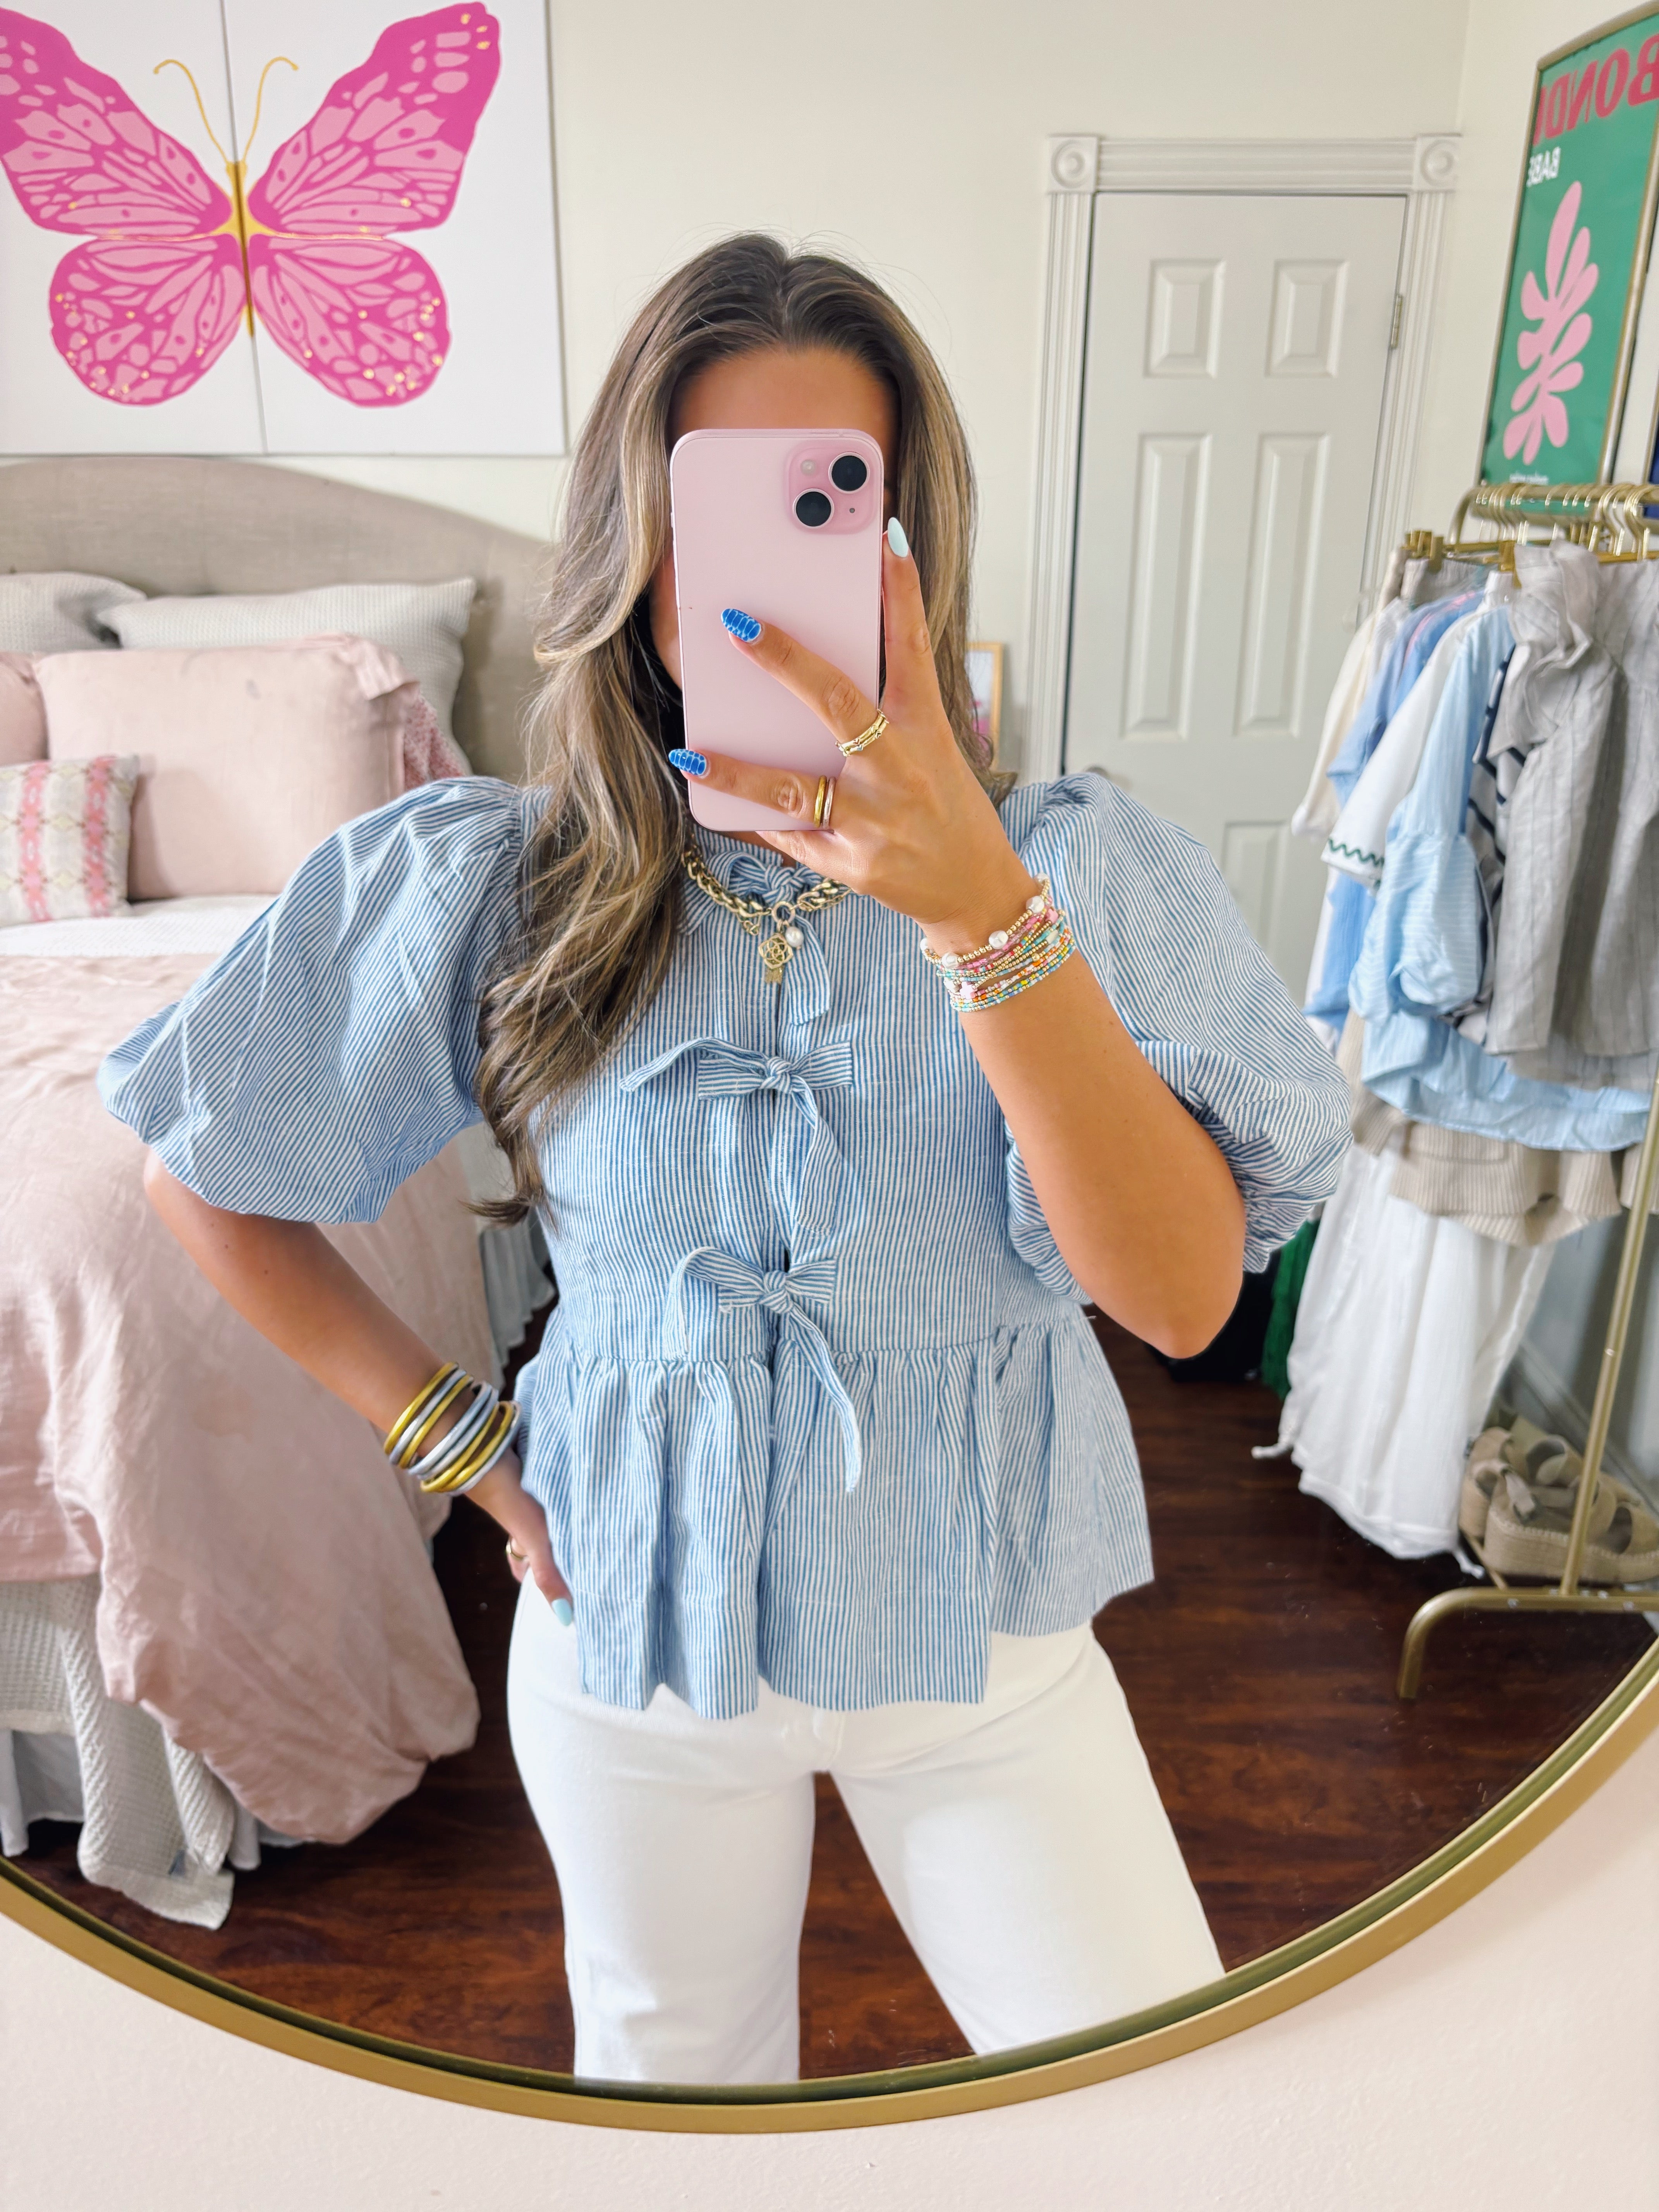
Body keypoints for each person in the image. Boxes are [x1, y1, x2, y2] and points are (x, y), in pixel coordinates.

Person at [100, 234, 1350, 2085]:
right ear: (631, 544)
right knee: (674, 2110)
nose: (764, 580)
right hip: (632, 1644)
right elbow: (203, 1173)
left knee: (1148, 2101)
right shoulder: (499, 884)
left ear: (908, 548)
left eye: (827, 507)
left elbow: (1178, 1302)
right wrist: (462, 1448)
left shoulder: (1075, 873)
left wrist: (980, 912)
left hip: (986, 1649)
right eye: (715, 512)